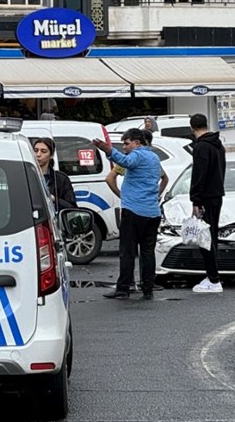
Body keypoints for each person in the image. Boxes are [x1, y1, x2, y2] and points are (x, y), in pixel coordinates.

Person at [93, 128, 167, 300]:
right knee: (147, 252)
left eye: (126, 143)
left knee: (127, 251)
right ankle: (147, 287)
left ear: (137, 143)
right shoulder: (154, 157)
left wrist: (108, 150)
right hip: (152, 212)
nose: (125, 147)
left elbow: (125, 161)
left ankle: (123, 288)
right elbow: (164, 178)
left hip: (134, 210)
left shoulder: (138, 155)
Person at [188, 114, 226, 294]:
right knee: (211, 235)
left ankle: (213, 278)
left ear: (192, 128)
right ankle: (212, 275)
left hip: (206, 196)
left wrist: (196, 199)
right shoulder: (218, 145)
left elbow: (198, 175)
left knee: (206, 238)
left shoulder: (201, 147)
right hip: (217, 194)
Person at [32, 138, 77, 209]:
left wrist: (54, 199)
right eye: (35, 150)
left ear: (51, 155)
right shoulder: (26, 175)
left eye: (43, 151)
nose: (38, 154)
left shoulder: (61, 179)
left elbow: (72, 207)